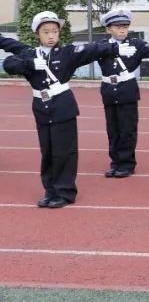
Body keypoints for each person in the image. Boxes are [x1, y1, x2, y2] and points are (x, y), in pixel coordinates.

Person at [3, 11, 136, 208]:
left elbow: (93, 49)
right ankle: (50, 190)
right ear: (37, 34)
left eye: (55, 31)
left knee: (64, 151)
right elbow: (9, 63)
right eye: (46, 32)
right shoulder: (30, 54)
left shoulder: (67, 53)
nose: (51, 36)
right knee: (47, 151)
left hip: (62, 106)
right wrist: (29, 63)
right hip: (41, 108)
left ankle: (64, 192)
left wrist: (114, 49)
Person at [96, 8, 149, 178]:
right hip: (109, 91)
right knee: (112, 130)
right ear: (108, 29)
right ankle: (115, 162)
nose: (122, 30)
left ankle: (127, 163)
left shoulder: (136, 45)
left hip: (127, 90)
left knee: (127, 129)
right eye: (117, 26)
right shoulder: (101, 46)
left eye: (125, 26)